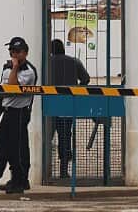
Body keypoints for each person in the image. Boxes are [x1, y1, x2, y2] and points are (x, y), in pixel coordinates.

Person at [0, 37, 38, 194]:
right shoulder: (7, 68)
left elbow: (12, 88)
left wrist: (15, 68)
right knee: (2, 148)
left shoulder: (28, 72)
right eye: (11, 51)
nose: (14, 54)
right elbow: (3, 91)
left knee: (17, 150)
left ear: (25, 52)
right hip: (8, 112)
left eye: (17, 51)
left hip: (20, 113)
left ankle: (19, 181)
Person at [48, 39, 90, 179]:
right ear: (63, 49)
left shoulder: (47, 63)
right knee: (65, 136)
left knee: (47, 136)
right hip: (67, 104)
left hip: (49, 104)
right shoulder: (74, 61)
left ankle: (45, 171)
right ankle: (63, 171)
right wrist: (77, 90)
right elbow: (86, 79)